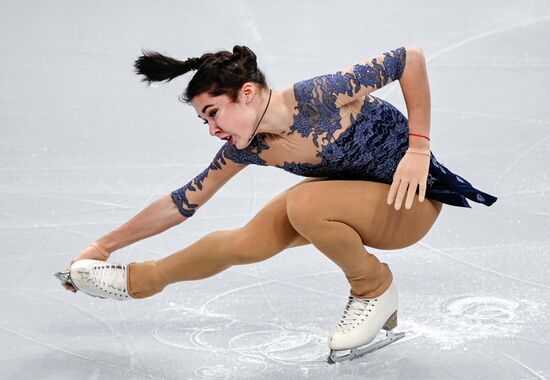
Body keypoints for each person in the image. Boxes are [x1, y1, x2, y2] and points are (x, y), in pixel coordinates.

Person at [57, 44, 497, 362]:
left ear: (245, 93)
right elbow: (182, 203)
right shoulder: (250, 147)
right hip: (349, 203)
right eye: (203, 120)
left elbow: (409, 59)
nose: (211, 129)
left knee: (304, 204)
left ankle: (373, 287)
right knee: (245, 241)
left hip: (409, 207)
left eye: (212, 113)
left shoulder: (319, 96)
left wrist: (418, 148)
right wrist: (102, 247)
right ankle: (140, 281)